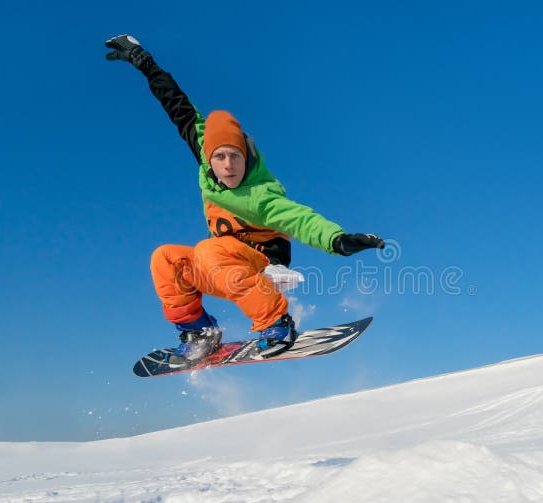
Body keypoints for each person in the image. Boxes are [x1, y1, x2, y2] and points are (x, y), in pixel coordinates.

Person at [105, 34, 384, 364]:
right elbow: (176, 105)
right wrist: (144, 62)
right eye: (220, 157)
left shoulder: (259, 193)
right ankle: (199, 333)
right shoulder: (206, 159)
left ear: (247, 156)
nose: (228, 165)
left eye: (235, 156)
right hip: (222, 268)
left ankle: (276, 324)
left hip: (262, 264)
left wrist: (339, 240)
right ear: (208, 157)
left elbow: (300, 218)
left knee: (208, 249)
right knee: (165, 258)